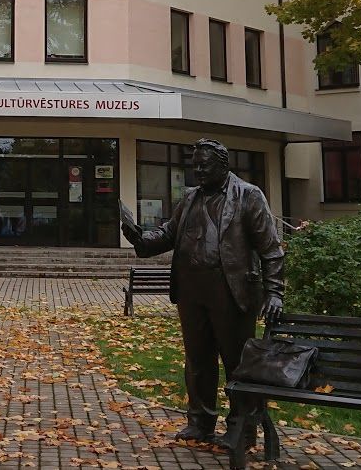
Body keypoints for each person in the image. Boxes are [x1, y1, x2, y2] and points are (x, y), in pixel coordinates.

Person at [120, 138, 285, 452]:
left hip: (231, 292)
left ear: (223, 165)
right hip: (191, 292)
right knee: (197, 361)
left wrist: (275, 292)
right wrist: (141, 237)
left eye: (204, 165)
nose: (197, 171)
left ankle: (242, 429)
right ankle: (200, 421)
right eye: (194, 165)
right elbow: (168, 233)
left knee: (237, 364)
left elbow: (272, 251)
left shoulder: (248, 196)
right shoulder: (191, 197)